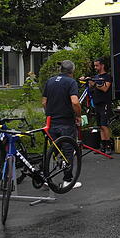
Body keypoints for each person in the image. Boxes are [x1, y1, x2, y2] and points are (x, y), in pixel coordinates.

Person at [41, 60, 82, 189]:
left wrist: (49, 114)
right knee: (68, 150)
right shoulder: (71, 82)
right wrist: (78, 116)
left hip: (51, 121)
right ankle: (67, 180)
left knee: (51, 151)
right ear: (72, 71)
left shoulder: (50, 81)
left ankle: (47, 178)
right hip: (66, 121)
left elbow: (44, 102)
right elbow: (75, 102)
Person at [88, 58, 113, 154]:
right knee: (100, 126)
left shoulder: (107, 77)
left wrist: (95, 85)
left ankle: (108, 145)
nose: (95, 67)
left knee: (104, 125)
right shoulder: (95, 77)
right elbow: (91, 88)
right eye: (94, 65)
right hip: (97, 103)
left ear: (102, 65)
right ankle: (102, 145)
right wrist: (89, 84)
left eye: (97, 65)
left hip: (105, 103)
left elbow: (105, 88)